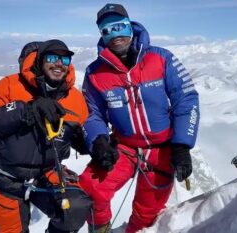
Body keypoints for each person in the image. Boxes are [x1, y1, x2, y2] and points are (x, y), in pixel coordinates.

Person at [79, 3, 200, 233]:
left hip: (162, 149)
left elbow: (186, 99)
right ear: (101, 35)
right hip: (123, 147)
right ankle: (99, 229)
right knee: (91, 187)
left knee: (146, 213)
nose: (115, 35)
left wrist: (182, 145)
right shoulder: (95, 73)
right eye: (107, 30)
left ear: (129, 26)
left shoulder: (161, 58)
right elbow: (91, 113)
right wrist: (98, 140)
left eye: (119, 27)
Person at [0, 39, 92, 233]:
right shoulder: (10, 85)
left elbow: (81, 136)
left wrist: (100, 143)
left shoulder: (74, 98)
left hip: (48, 173)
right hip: (9, 177)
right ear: (40, 61)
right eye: (52, 58)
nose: (58, 63)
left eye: (64, 59)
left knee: (74, 208)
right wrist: (24, 110)